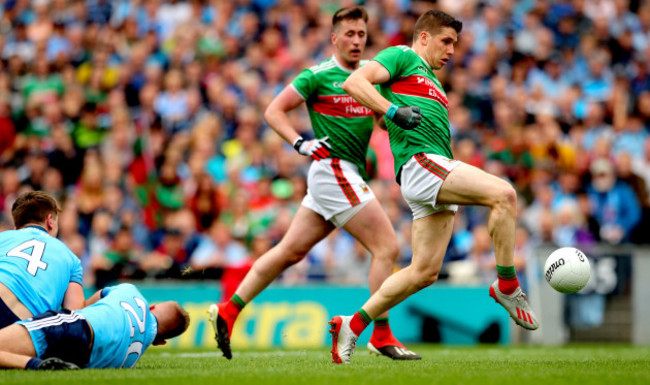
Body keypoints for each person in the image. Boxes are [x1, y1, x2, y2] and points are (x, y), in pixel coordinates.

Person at [208, 6, 420, 361]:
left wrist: (395, 117)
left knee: (289, 252)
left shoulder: (370, 77)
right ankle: (380, 335)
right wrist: (299, 142)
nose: (356, 41)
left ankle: (228, 311)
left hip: (341, 174)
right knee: (387, 248)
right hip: (332, 169)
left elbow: (383, 124)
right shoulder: (318, 75)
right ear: (334, 38)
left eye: (361, 35)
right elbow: (274, 110)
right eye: (349, 34)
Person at [329, 10, 539, 364]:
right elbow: (354, 83)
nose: (452, 50)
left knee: (423, 272)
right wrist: (393, 111)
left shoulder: (432, 82)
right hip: (423, 164)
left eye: (455, 43)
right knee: (504, 194)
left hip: (429, 173)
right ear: (423, 37)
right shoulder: (402, 55)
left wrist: (387, 115)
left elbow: (382, 117)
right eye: (446, 41)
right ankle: (506, 285)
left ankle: (351, 324)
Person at [0, 283, 190, 370]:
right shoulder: (130, 361)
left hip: (76, 327)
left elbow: (84, 306)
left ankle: (33, 365)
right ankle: (35, 364)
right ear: (160, 342)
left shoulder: (131, 291)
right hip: (80, 358)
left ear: (152, 307)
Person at [0, 191, 84, 329]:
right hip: (21, 327)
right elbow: (75, 318)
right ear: (50, 221)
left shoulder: (4, 237)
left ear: (16, 228)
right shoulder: (71, 259)